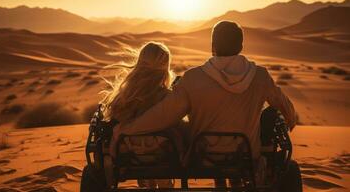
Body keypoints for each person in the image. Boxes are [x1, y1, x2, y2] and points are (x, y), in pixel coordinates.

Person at [113, 21, 297, 187]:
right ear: (241, 46)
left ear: (212, 47)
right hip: (246, 155)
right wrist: (290, 118)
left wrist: (129, 129)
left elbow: (162, 116)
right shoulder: (261, 76)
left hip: (202, 157)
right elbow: (285, 106)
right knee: (270, 117)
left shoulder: (193, 79)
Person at [101, 42, 184, 189]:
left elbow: (114, 117)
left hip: (129, 152)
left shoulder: (126, 95)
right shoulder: (167, 97)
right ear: (165, 66)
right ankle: (163, 184)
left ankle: (148, 182)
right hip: (163, 153)